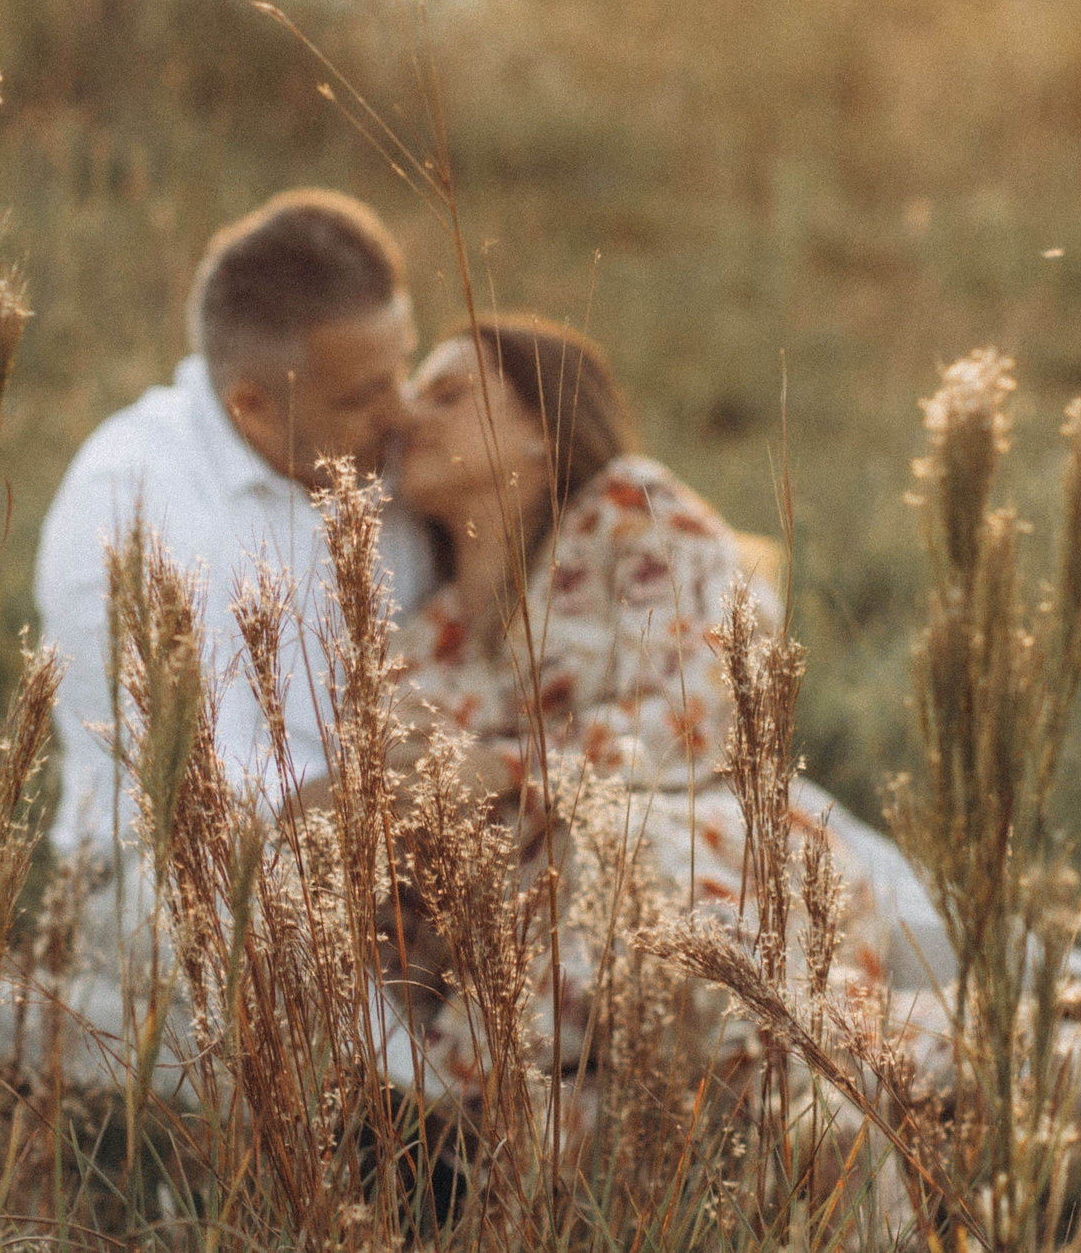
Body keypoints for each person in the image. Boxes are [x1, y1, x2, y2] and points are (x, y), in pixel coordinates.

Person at [382, 313, 954, 1124]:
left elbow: (706, 708)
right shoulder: (421, 641)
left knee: (615, 866)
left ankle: (943, 1053)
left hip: (697, 851)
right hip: (531, 940)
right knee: (571, 1123)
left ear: (542, 426)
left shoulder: (630, 512)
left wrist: (510, 771)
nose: (409, 414)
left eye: (447, 394)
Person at [33, 188, 435, 856]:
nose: (404, 412)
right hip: (191, 884)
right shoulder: (131, 500)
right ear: (252, 407)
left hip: (398, 859)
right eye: (363, 396)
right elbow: (196, 790)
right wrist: (421, 795)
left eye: (403, 368)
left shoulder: (399, 453)